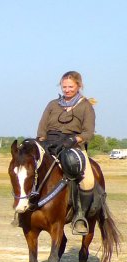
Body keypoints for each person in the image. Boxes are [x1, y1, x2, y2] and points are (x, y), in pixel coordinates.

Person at [36, 70, 96, 235]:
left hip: (73, 146)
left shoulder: (86, 106)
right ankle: (24, 210)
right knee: (29, 169)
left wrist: (74, 140)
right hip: (50, 144)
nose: (67, 90)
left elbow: (88, 132)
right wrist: (42, 142)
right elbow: (42, 128)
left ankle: (80, 216)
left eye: (71, 86)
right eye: (64, 87)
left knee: (88, 181)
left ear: (79, 86)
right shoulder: (52, 104)